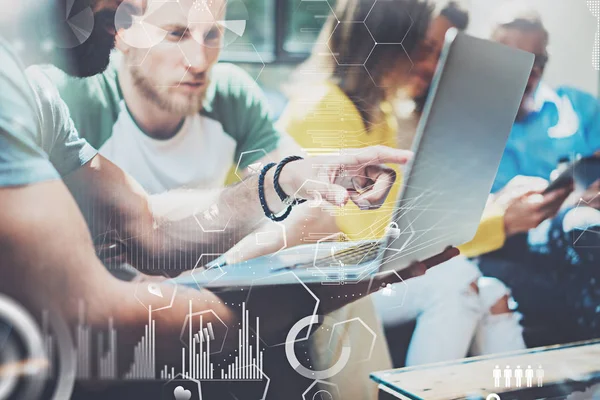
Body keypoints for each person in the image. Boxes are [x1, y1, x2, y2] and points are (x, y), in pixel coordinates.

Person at [0, 0, 456, 398]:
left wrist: (289, 177)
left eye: (213, 34)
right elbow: (94, 330)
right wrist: (309, 295)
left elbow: (148, 228)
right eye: (175, 33)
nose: (198, 60)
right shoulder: (45, 90)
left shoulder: (35, 96)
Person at [279, 0, 525, 369]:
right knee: (457, 283)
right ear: (388, 47)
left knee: (492, 292)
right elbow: (377, 237)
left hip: (355, 269)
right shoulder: (322, 108)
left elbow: (399, 221)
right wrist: (498, 223)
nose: (425, 63)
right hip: (316, 278)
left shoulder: (380, 115)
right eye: (421, 48)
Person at [479, 4, 600, 346]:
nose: (530, 73)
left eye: (538, 62)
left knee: (580, 224)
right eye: (517, 62)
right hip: (508, 244)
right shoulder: (471, 122)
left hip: (583, 227)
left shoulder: (578, 106)